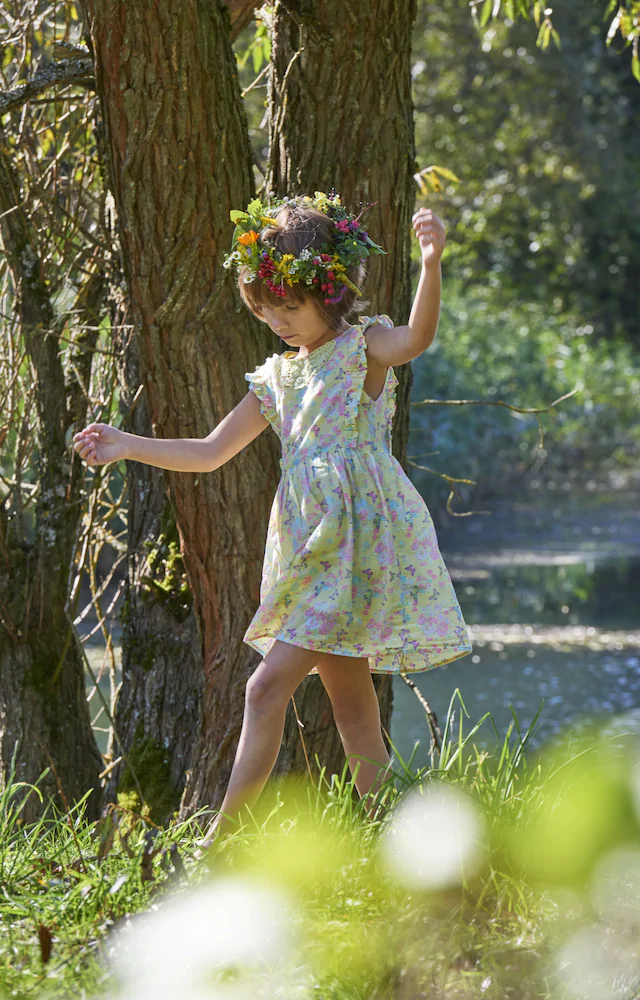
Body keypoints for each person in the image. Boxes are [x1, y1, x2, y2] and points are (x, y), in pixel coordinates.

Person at [73, 190, 472, 853]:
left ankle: (220, 848)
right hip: (310, 551)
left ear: (328, 292)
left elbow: (418, 339)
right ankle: (390, 846)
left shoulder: (362, 347)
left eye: (289, 307)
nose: (278, 322)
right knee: (350, 700)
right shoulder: (277, 378)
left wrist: (430, 261)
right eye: (265, 310)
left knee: (265, 688)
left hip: (352, 548)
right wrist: (125, 443)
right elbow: (207, 453)